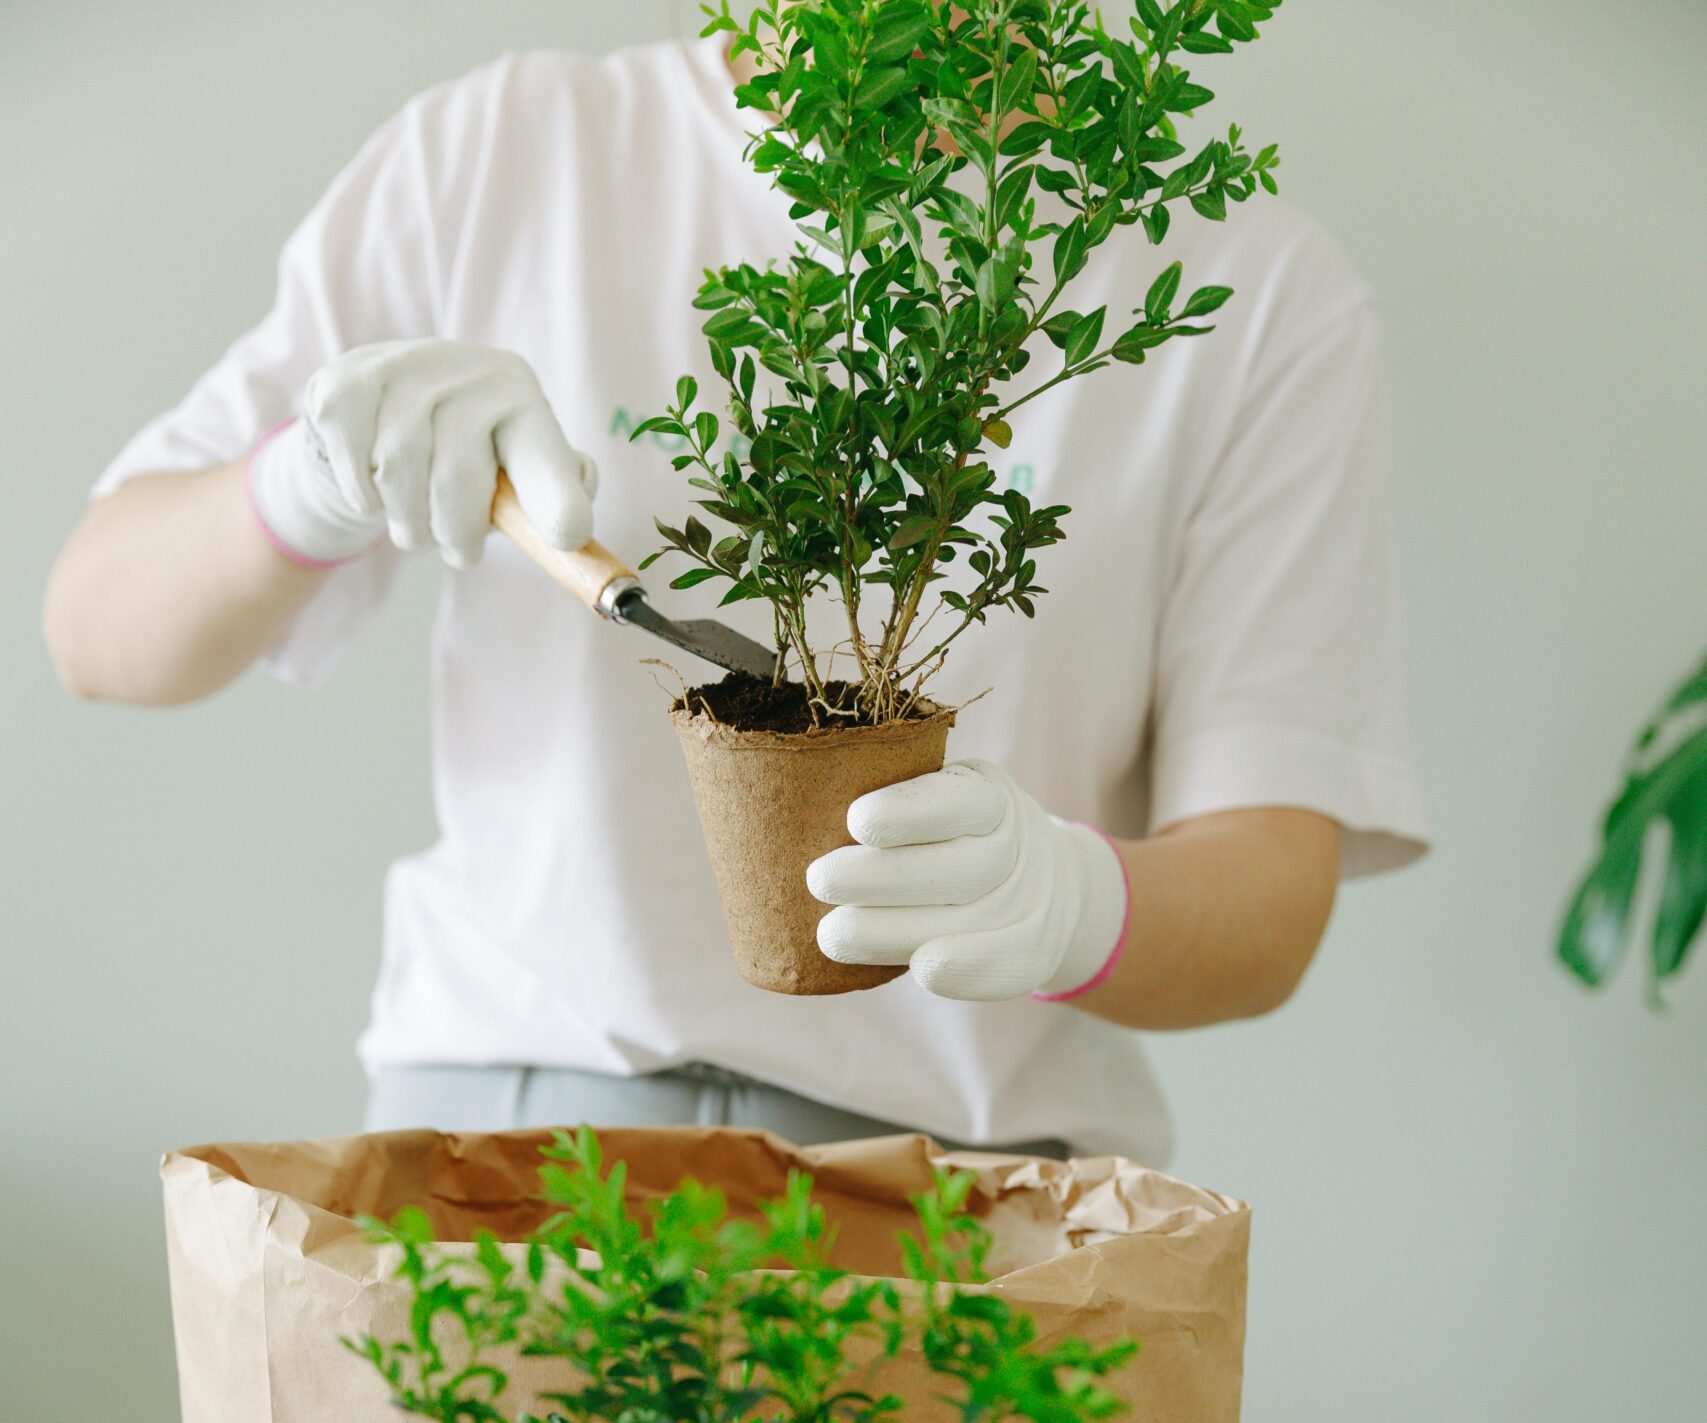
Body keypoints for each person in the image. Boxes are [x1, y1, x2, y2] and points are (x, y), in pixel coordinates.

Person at [44, 32, 1428, 1163]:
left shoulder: (1250, 291)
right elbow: (99, 625)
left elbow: (1267, 895)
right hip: (498, 1152)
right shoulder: (506, 154)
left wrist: (1069, 903)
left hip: (964, 1200)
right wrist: (306, 483)